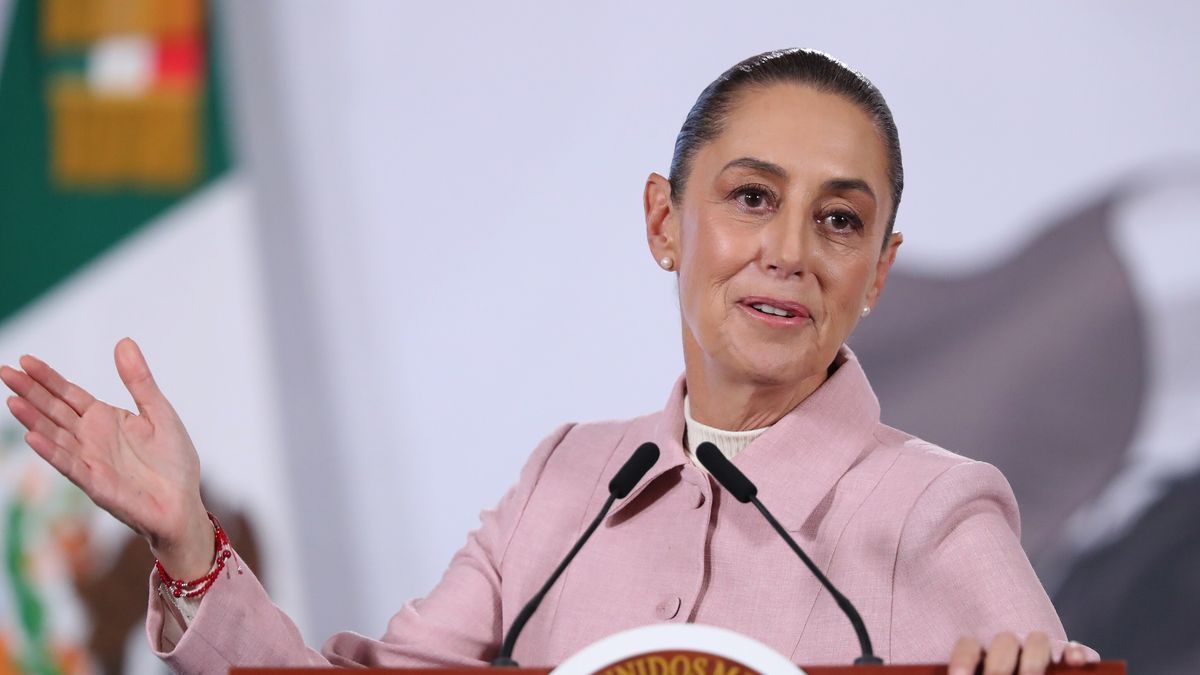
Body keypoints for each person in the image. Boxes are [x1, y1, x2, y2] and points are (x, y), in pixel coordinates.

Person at [1, 49, 1095, 673]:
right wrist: (190, 545)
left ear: (880, 271)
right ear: (666, 223)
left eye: (841, 221)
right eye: (751, 198)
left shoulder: (937, 512)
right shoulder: (564, 485)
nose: (790, 253)